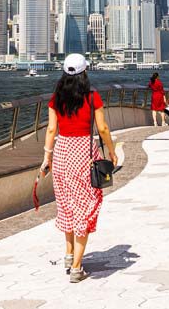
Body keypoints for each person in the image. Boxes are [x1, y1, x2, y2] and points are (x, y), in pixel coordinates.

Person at [42, 53, 118, 283]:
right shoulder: (93, 96)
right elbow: (102, 128)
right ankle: (76, 267)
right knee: (85, 206)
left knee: (66, 204)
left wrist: (47, 158)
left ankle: (68, 255)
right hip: (83, 152)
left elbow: (51, 130)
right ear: (85, 71)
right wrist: (112, 151)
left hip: (63, 151)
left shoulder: (57, 98)